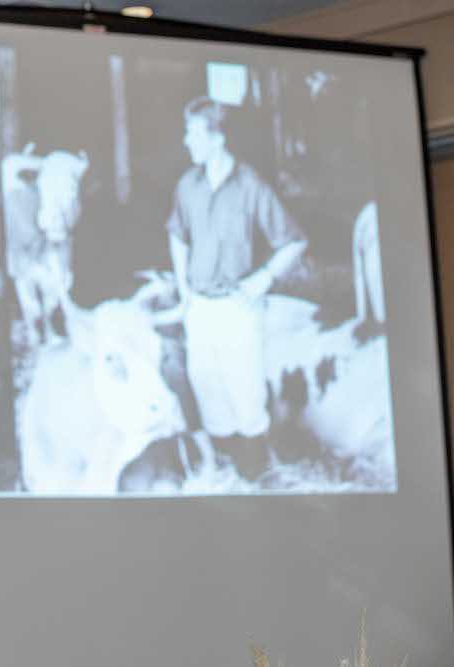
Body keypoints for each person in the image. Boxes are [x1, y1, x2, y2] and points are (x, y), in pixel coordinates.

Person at [164, 97, 307, 480]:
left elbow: (294, 241)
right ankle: (224, 482)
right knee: (208, 392)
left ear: (218, 136)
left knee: (245, 395)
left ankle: (256, 476)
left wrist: (263, 278)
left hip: (238, 309)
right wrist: (183, 289)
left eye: (192, 133)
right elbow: (177, 235)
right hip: (200, 308)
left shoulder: (249, 184)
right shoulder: (187, 186)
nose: (185, 141)